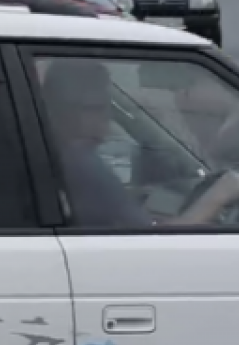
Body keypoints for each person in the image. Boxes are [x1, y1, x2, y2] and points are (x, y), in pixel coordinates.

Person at [40, 58, 155, 230]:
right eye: (97, 108)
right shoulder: (81, 162)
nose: (106, 119)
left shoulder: (45, 154)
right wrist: (211, 199)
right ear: (65, 109)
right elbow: (158, 237)